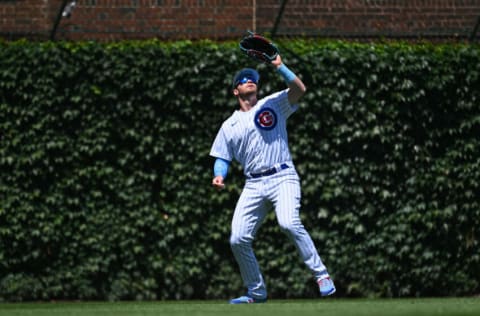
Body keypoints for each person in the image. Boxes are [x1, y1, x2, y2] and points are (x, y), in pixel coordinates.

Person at [209, 54, 335, 304]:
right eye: (243, 81)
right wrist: (219, 175)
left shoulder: (272, 104)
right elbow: (222, 157)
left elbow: (299, 89)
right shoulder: (229, 125)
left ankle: (321, 275)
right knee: (237, 238)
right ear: (236, 91)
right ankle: (256, 292)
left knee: (288, 223)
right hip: (253, 183)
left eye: (253, 79)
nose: (249, 81)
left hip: (283, 176)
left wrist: (279, 66)